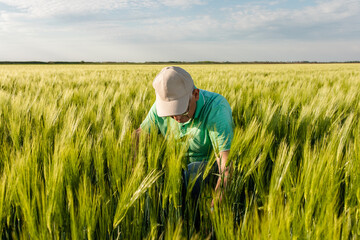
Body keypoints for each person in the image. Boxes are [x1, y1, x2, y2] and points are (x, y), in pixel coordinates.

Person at [136, 66, 234, 211]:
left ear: (195, 94)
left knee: (195, 169)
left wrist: (217, 202)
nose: (176, 118)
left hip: (207, 177)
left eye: (182, 110)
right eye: (169, 114)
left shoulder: (217, 109)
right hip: (174, 173)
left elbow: (226, 167)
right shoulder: (158, 108)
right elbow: (138, 136)